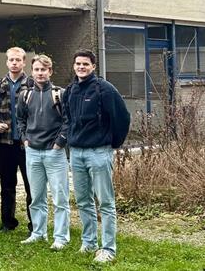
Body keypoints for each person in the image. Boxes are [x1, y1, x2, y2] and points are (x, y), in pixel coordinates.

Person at [65, 50, 131, 264]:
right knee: (83, 201)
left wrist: (113, 143)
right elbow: (68, 119)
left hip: (99, 153)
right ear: (73, 66)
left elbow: (122, 117)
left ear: (93, 66)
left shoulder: (105, 89)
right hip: (76, 153)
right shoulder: (71, 90)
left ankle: (108, 248)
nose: (81, 67)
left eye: (85, 64)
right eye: (78, 64)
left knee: (105, 202)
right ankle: (89, 242)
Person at [17, 54, 70, 250]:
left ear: (50, 72)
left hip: (54, 153)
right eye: (37, 69)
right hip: (32, 151)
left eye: (43, 70)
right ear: (32, 72)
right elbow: (20, 119)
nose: (40, 73)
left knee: (59, 198)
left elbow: (68, 121)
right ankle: (38, 233)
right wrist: (25, 139)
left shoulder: (60, 94)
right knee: (36, 196)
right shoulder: (25, 95)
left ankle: (61, 237)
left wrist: (59, 143)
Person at [0, 46, 33, 233]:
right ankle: (7, 222)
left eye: (18, 60)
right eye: (11, 60)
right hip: (5, 143)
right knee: (7, 185)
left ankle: (35, 224)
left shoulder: (32, 84)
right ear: (7, 62)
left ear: (24, 62)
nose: (14, 63)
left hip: (27, 144)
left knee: (32, 186)